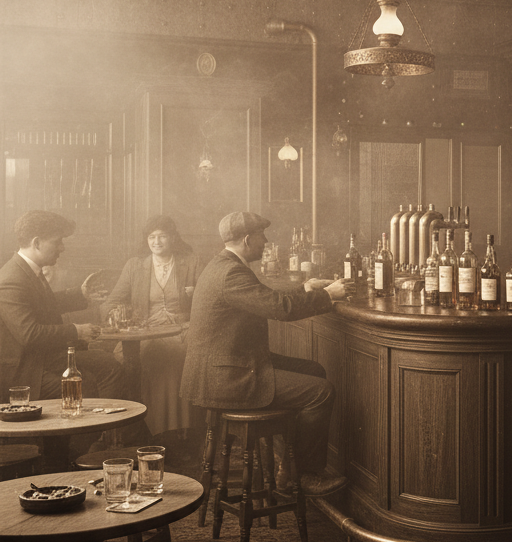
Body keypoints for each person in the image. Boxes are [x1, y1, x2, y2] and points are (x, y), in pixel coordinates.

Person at [179, 211, 348, 498]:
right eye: (261, 236)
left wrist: (304, 288)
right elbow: (279, 308)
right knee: (321, 391)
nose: (266, 241)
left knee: (314, 371)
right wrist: (328, 295)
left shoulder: (224, 264)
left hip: (228, 366)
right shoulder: (232, 273)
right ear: (247, 239)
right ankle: (303, 474)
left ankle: (288, 467)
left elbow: (266, 298)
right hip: (227, 377)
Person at [0, 210, 125, 403]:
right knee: (84, 385)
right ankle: (101, 430)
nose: (62, 248)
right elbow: (30, 335)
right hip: (25, 371)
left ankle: (110, 429)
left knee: (109, 365)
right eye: (57, 241)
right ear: (36, 243)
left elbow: (41, 305)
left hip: (43, 359)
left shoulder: (26, 270)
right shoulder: (11, 279)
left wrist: (81, 294)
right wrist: (76, 331)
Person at [101, 215, 201, 437]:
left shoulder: (191, 262)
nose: (156, 242)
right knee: (139, 359)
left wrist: (195, 296)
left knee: (177, 359)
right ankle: (145, 431)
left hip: (183, 329)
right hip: (146, 331)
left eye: (162, 236)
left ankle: (180, 432)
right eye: (152, 237)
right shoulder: (135, 266)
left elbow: (207, 300)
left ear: (173, 238)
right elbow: (112, 301)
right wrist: (113, 317)